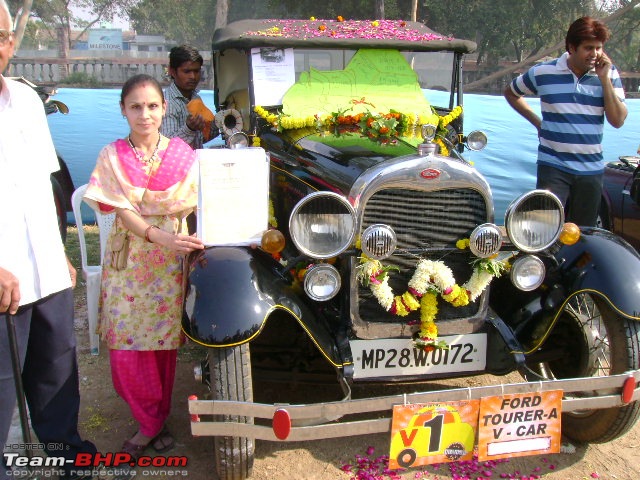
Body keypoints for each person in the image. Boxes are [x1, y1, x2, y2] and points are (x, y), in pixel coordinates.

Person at [84, 74, 204, 459]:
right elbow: (122, 212)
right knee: (126, 349)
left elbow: (195, 205)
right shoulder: (111, 156)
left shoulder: (183, 155)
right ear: (123, 109)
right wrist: (161, 234)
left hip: (168, 267)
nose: (145, 114)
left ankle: (152, 423)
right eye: (135, 106)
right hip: (129, 263)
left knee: (160, 348)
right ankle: (149, 419)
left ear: (164, 108)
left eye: (152, 106)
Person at [0, 1, 97, 478]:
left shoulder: (25, 99)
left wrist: (58, 251)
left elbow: (46, 185)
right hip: (4, 279)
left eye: (0, 36)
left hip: (46, 269)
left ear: (11, 43)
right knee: (2, 386)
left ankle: (66, 457)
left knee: (57, 371)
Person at [504, 16, 627, 227]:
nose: (595, 54)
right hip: (553, 166)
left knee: (583, 235)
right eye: (589, 48)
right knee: (544, 229)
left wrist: (604, 79)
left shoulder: (609, 73)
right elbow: (511, 92)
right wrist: (537, 122)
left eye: (599, 48)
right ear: (571, 47)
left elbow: (617, 120)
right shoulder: (544, 72)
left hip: (591, 170)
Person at [160, 44, 218, 149]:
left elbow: (203, 137)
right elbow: (167, 146)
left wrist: (222, 123)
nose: (193, 76)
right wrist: (189, 129)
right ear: (172, 72)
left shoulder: (195, 98)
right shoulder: (167, 103)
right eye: (187, 71)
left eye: (196, 71)